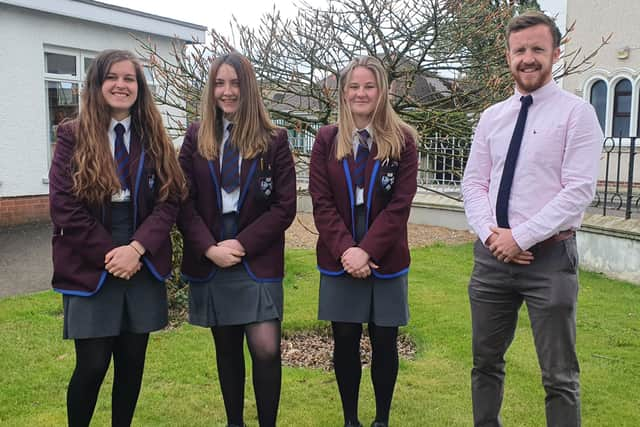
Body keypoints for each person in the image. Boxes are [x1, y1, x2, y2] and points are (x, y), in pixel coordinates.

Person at [461, 11, 603, 427]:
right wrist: (493, 237)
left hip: (550, 261)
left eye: (537, 49)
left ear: (555, 53)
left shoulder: (578, 115)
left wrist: (520, 237)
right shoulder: (491, 118)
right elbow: (473, 184)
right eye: (519, 50)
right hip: (492, 260)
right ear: (508, 56)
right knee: (485, 364)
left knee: (559, 375)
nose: (528, 58)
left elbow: (578, 191)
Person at [49, 49, 186, 427]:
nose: (121, 85)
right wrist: (114, 254)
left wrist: (137, 248)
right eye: (112, 77)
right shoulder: (71, 135)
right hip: (91, 254)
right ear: (97, 83)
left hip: (141, 251)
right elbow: (64, 208)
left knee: (131, 361)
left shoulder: (154, 137)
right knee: (92, 364)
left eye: (129, 79)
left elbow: (170, 200)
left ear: (139, 88)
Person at [177, 52, 296, 427]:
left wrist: (241, 245)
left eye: (235, 84)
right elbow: (182, 199)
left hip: (256, 258)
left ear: (249, 89)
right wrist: (210, 248)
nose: (227, 92)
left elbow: (284, 206)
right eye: (219, 83)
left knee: (265, 349)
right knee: (226, 350)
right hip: (211, 255)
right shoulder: (197, 136)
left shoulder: (275, 139)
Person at [309, 56, 418, 427]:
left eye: (369, 86)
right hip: (339, 260)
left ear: (382, 90)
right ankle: (351, 419)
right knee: (345, 340)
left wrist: (366, 251)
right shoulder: (325, 140)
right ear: (343, 93)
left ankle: (382, 420)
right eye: (354, 87)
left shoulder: (403, 141)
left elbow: (400, 205)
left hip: (385, 261)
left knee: (385, 340)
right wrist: (346, 251)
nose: (361, 93)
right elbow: (321, 204)